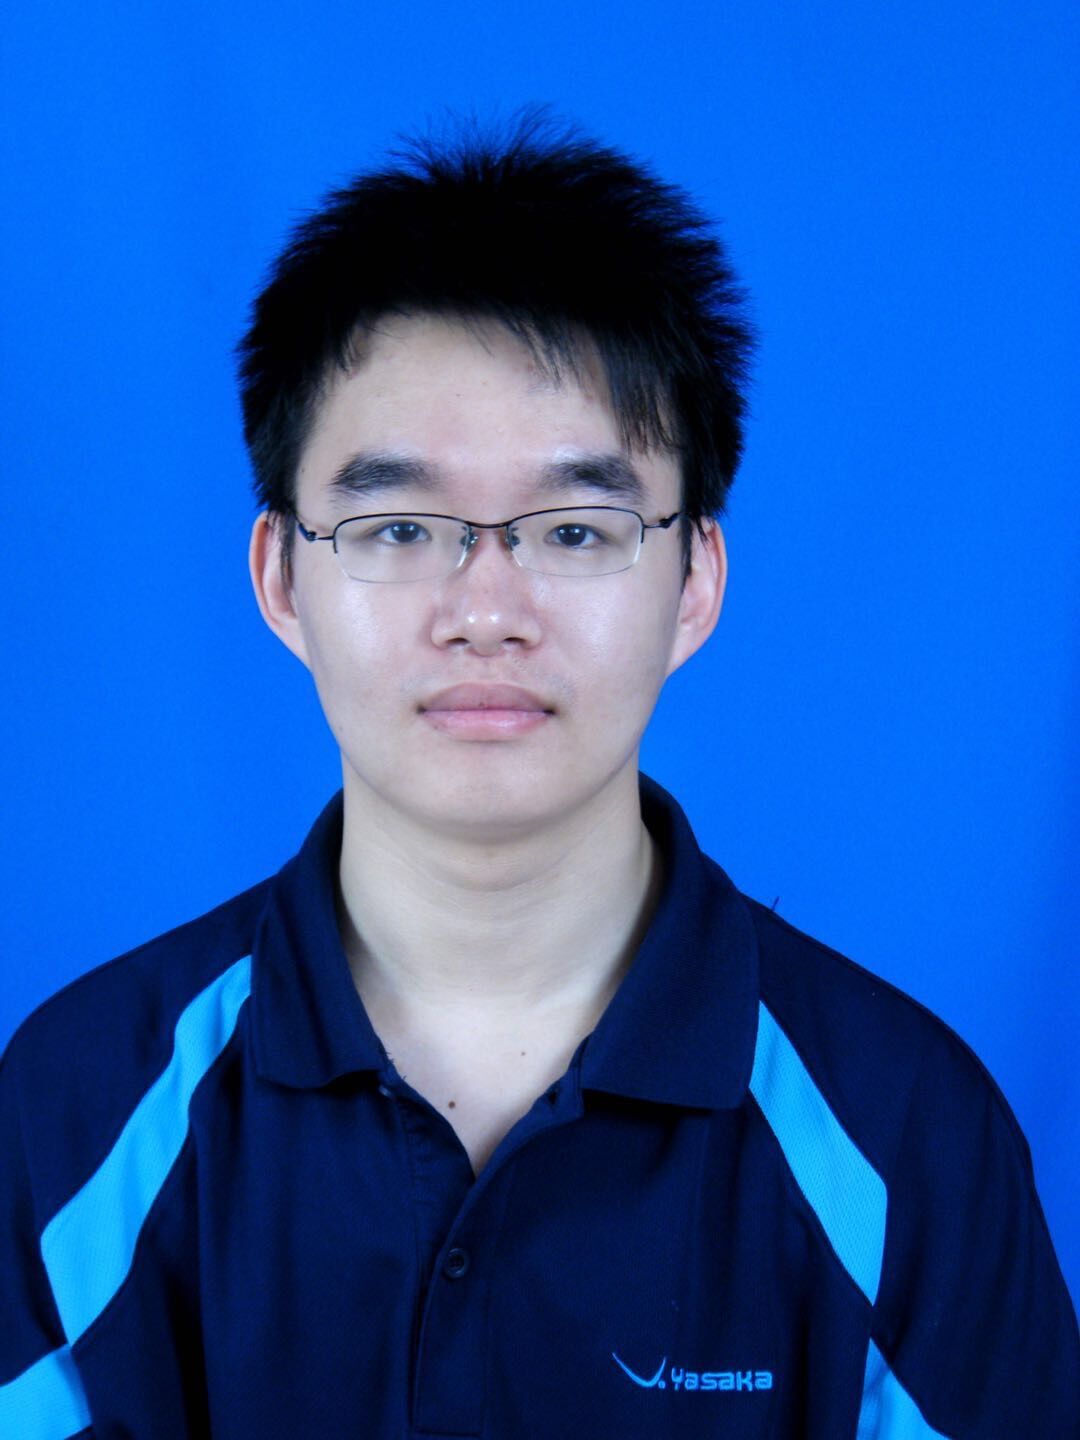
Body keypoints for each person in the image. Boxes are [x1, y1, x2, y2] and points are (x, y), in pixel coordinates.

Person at [1, 116, 1076, 1440]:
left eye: (574, 530)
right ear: (281, 579)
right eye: (400, 526)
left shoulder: (909, 1141)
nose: (485, 611)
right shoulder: (75, 1112)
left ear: (695, 583)